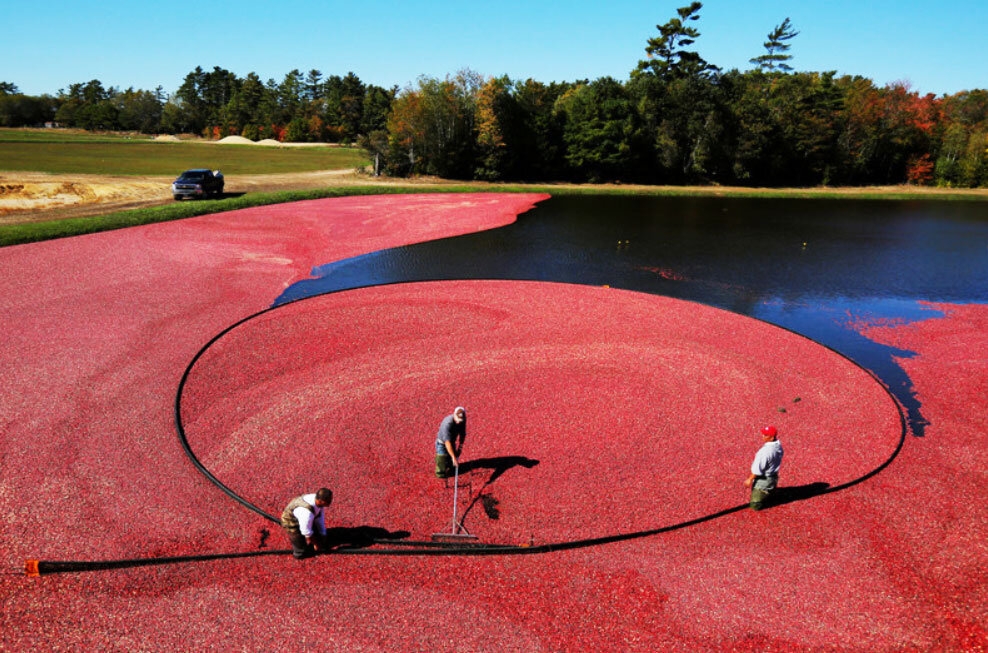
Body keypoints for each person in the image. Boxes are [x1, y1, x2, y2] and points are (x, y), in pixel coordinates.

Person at [280, 487, 333, 559]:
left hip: (302, 517)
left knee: (316, 533)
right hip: (290, 521)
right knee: (301, 548)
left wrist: (323, 533)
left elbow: (319, 517)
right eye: (329, 501)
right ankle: (299, 553)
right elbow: (306, 532)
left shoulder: (318, 500)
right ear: (320, 500)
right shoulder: (307, 514)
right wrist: (316, 544)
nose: (331, 502)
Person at [744, 425, 784, 510]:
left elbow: (758, 470)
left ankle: (766, 493)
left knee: (755, 505)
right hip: (773, 476)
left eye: (766, 435)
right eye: (763, 434)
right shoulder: (778, 445)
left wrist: (749, 479)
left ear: (772, 437)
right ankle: (770, 490)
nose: (763, 436)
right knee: (769, 486)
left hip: (764, 479)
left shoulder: (765, 452)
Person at [435, 406, 467, 479]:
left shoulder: (463, 419)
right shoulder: (447, 424)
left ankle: (451, 467)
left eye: (460, 420)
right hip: (442, 442)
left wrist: (460, 447)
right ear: (454, 414)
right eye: (457, 420)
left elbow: (462, 434)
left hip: (452, 441)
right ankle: (441, 475)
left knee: (451, 458)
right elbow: (447, 443)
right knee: (442, 459)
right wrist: (453, 457)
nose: (458, 422)